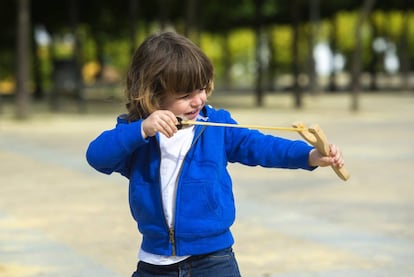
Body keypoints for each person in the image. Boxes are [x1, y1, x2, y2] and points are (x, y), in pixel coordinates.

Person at [86, 31, 344, 277]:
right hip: (155, 262)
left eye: (202, 89)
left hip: (214, 260)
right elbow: (97, 157)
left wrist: (309, 155)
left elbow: (260, 146)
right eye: (186, 95)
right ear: (153, 95)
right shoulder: (137, 134)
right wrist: (141, 129)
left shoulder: (216, 124)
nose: (198, 100)